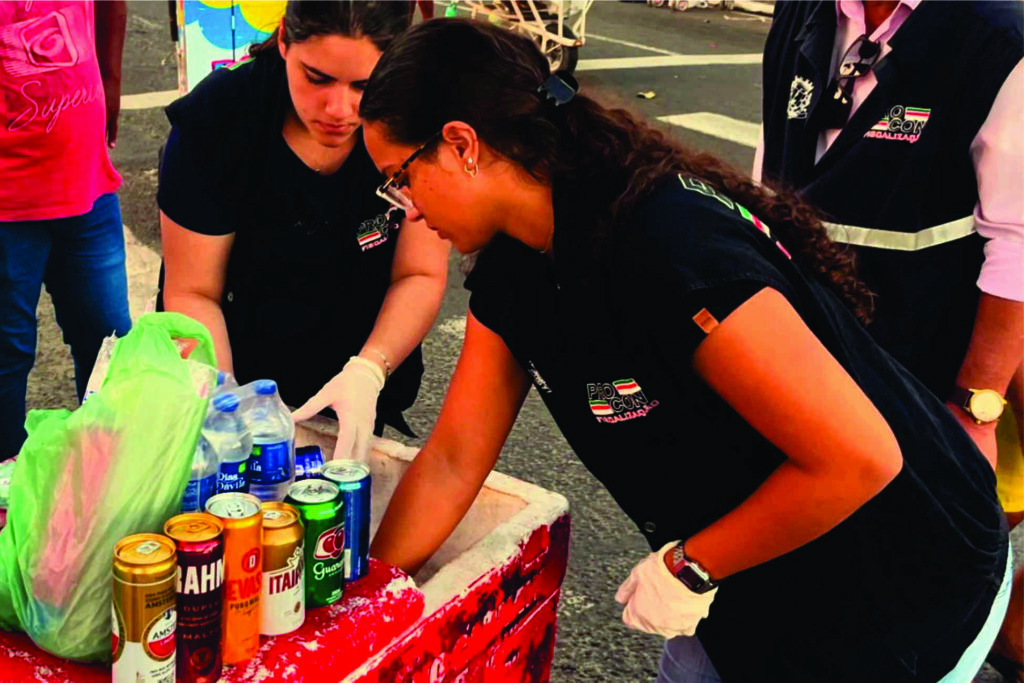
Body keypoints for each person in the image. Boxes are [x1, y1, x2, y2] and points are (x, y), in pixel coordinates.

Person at [359, 19, 1011, 683]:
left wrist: (691, 564)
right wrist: (367, 603)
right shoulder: (513, 265)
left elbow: (858, 460)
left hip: (899, 570)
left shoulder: (667, 249)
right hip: (750, 573)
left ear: (462, 143)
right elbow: (450, 459)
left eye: (399, 177)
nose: (404, 208)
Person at [754, 2, 1023, 678]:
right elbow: (767, 179)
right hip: (801, 366)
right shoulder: (803, 14)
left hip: (924, 382)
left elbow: (1017, 242)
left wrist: (974, 409)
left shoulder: (996, 38)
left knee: (913, 591)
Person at [157, 0, 449, 461]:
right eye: (317, 78)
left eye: (364, 86)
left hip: (360, 371)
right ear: (283, 41)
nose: (339, 109)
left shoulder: (417, 121)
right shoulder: (218, 119)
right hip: (239, 366)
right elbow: (194, 290)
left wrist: (370, 370)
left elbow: (420, 273)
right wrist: (225, 406)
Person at [0, 0, 130, 461]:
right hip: (8, 207)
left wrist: (110, 77)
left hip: (86, 187)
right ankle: (8, 495)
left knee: (109, 345)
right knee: (7, 353)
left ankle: (107, 482)